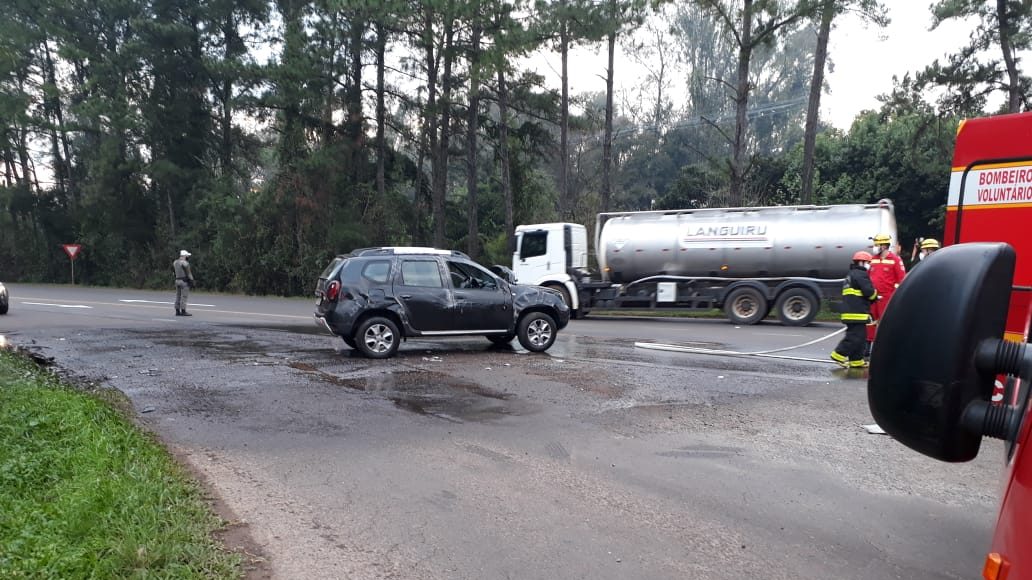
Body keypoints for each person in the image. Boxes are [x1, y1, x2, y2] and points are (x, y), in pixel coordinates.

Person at [831, 251, 879, 369]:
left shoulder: (851, 275)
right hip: (857, 312)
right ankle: (838, 354)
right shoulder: (861, 274)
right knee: (855, 337)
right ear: (861, 262)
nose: (869, 265)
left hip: (851, 312)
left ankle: (856, 361)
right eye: (868, 263)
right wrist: (875, 296)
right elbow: (868, 292)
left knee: (860, 337)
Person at [866, 233, 906, 357]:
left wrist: (895, 297)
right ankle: (867, 348)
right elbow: (867, 277)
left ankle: (885, 349)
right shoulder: (873, 259)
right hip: (873, 297)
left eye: (877, 244)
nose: (875, 247)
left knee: (885, 324)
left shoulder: (895, 260)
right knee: (870, 322)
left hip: (887, 298)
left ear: (884, 245)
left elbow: (901, 280)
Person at [173, 250, 195, 316]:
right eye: (187, 256)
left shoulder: (175, 262)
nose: (188, 257)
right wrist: (192, 281)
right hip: (184, 281)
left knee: (178, 296)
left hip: (177, 280)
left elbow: (174, 272)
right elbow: (189, 273)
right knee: (184, 296)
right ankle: (183, 311)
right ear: (184, 256)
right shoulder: (185, 263)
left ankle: (177, 311)